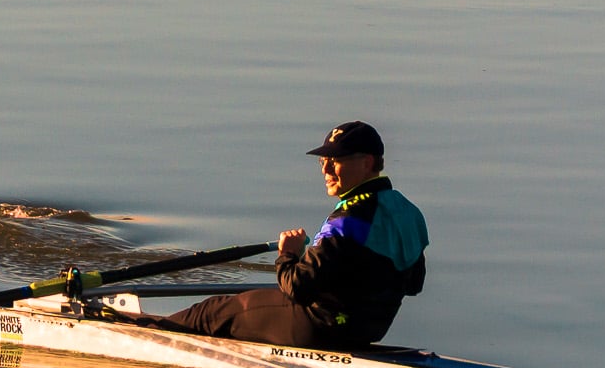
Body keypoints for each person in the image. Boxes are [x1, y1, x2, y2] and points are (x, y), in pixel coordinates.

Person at [161, 121, 428, 348]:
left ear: (367, 162)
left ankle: (144, 330)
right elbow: (414, 283)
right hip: (368, 330)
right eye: (324, 161)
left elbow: (296, 287)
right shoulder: (408, 213)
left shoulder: (348, 220)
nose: (325, 170)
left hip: (317, 328)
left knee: (211, 312)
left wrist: (288, 253)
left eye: (335, 161)